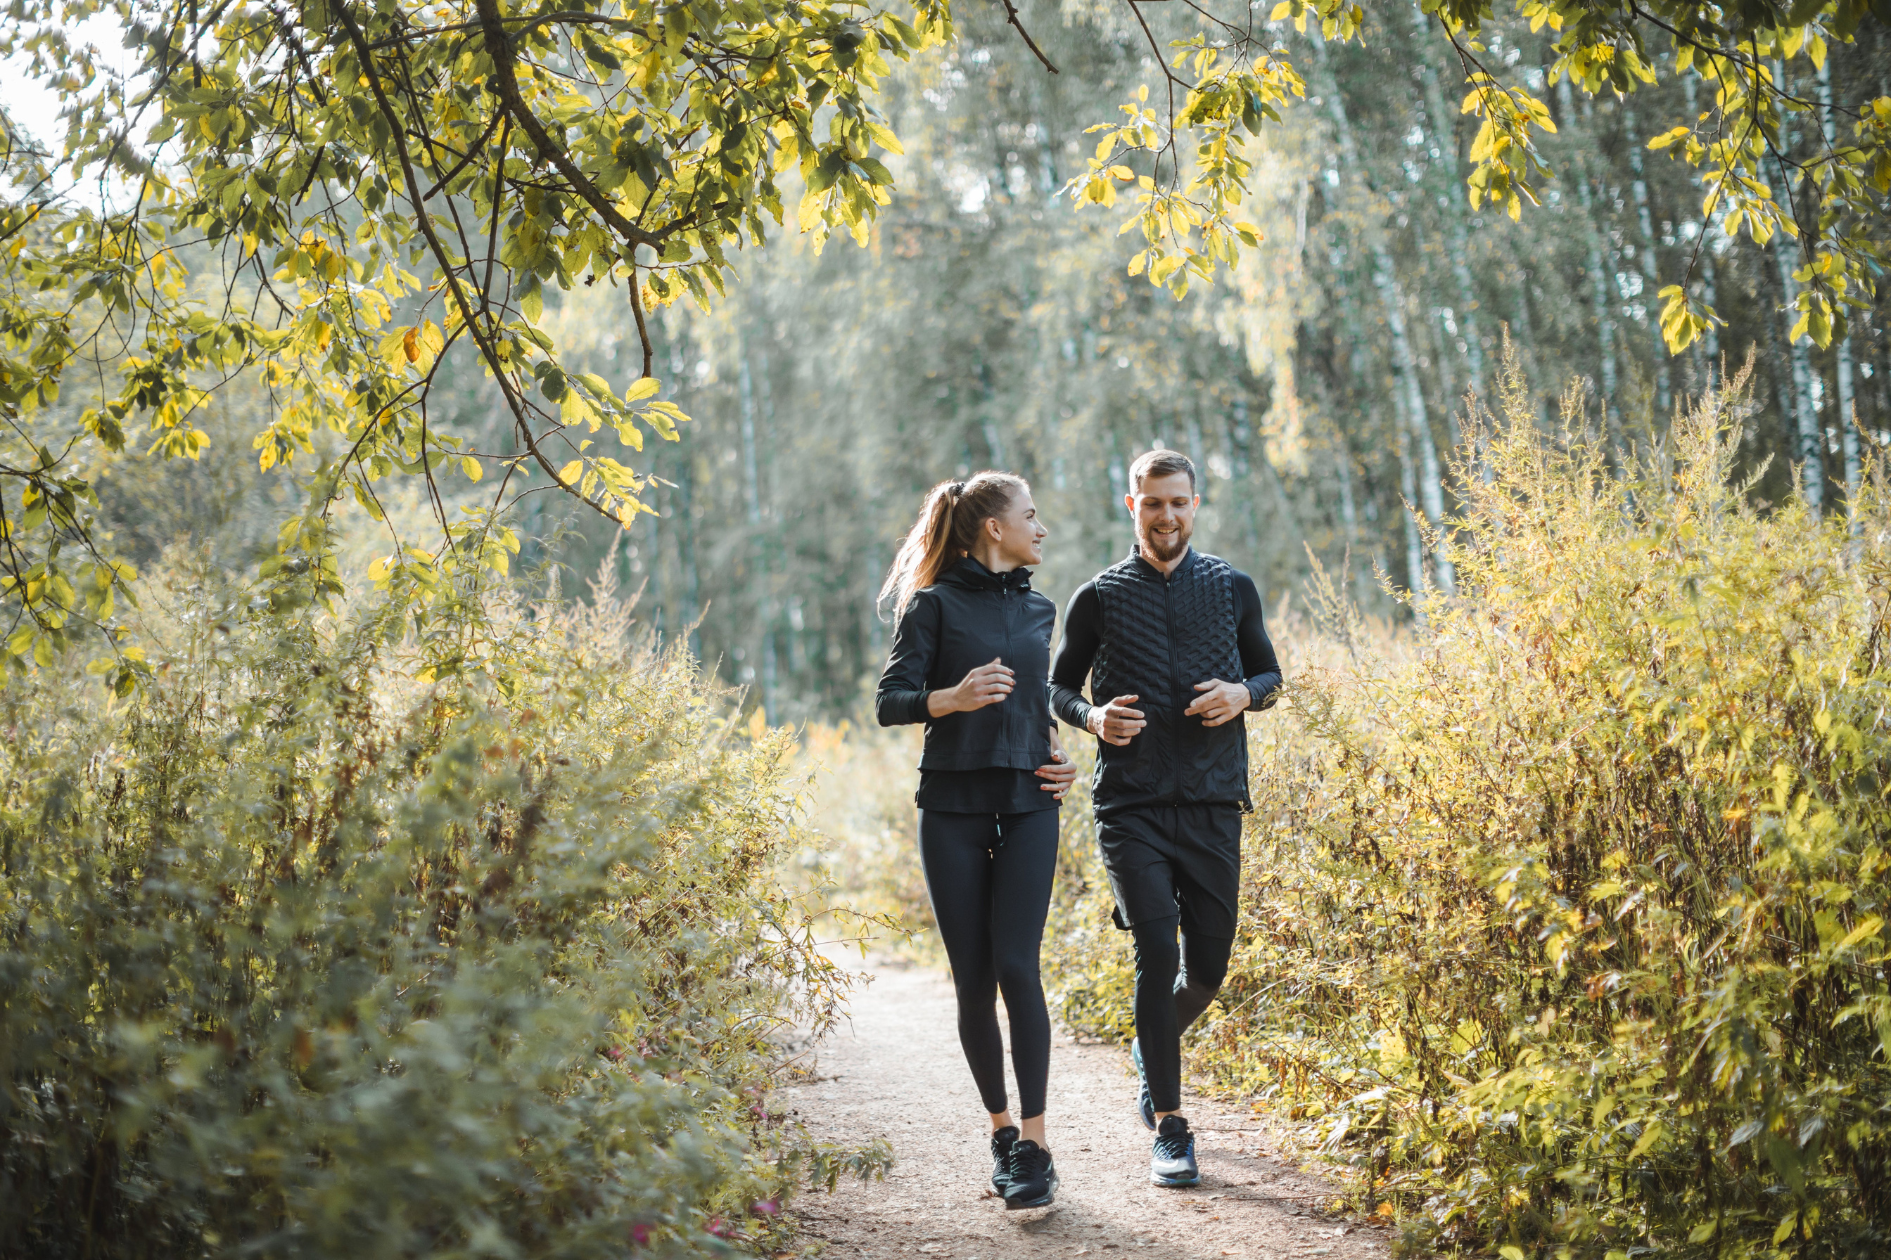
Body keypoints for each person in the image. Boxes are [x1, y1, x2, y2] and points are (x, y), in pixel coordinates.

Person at [1049, 449, 1281, 1188]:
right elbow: (1057, 689)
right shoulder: (1099, 596)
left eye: (1178, 502)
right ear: (1131, 506)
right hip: (1131, 804)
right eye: (1153, 503)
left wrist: (1244, 695)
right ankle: (1172, 1131)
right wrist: (1091, 718)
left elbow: (1269, 673)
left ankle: (1153, 1051)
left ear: (1195, 502)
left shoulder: (1231, 586)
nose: (1167, 516)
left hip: (1214, 801)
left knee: (1207, 969)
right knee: (1157, 949)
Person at [875, 472, 1078, 1210]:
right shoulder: (931, 606)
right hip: (953, 807)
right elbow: (889, 701)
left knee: (1018, 969)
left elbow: (1035, 705)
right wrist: (951, 698)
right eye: (1031, 516)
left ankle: (1036, 1146)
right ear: (993, 527)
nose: (1041, 528)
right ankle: (999, 1130)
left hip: (1029, 803)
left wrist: (1060, 756)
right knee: (973, 980)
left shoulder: (1040, 609)